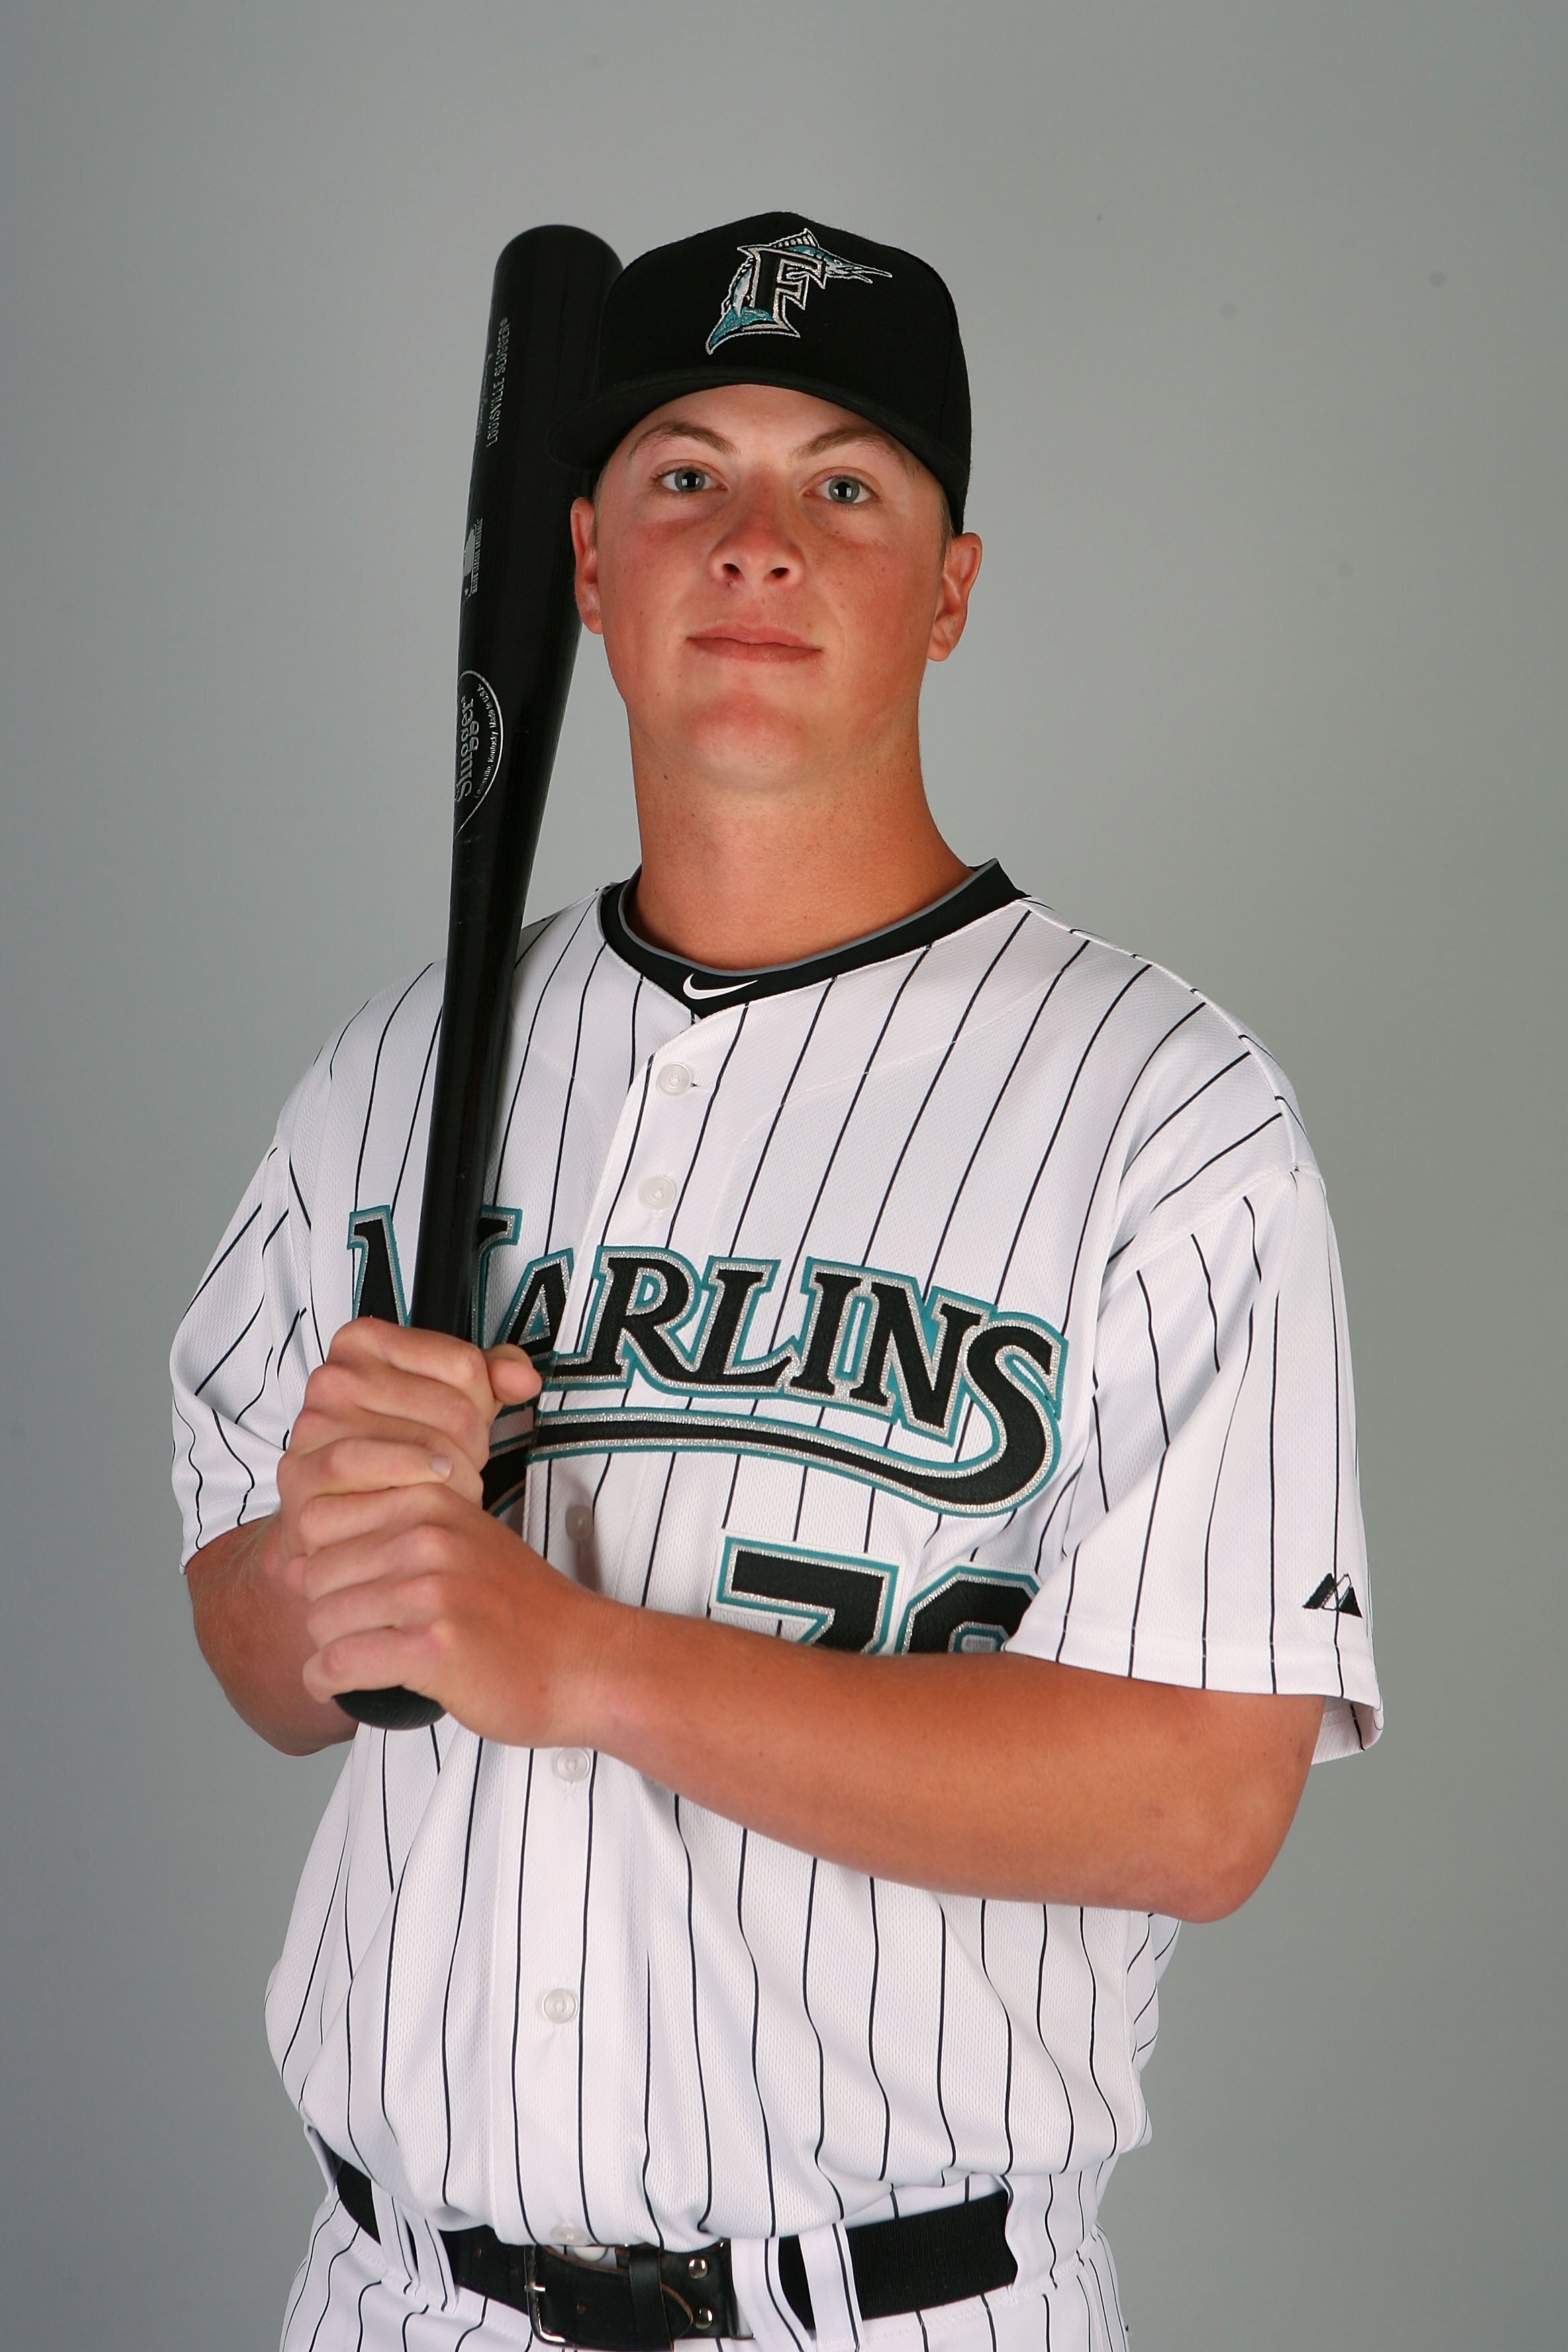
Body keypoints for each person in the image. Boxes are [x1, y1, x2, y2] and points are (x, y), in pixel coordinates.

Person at [172, 214, 1381, 2352]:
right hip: (392, 2301)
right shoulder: (384, 1076)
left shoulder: (1168, 1114)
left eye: (843, 483)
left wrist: (588, 1664)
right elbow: (262, 1655)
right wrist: (326, 1561)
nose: (755, 542)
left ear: (951, 586)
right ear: (582, 566)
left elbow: (1202, 1803)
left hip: (891, 2315)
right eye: (682, 476)